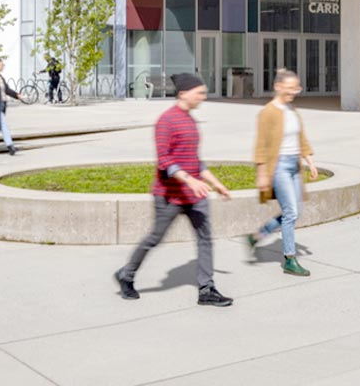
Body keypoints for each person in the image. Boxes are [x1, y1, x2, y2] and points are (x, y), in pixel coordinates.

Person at [114, 72, 234, 307]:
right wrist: (190, 181)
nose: (203, 97)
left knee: (205, 239)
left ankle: (207, 289)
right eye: (199, 93)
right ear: (183, 93)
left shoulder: (190, 120)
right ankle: (126, 274)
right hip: (169, 195)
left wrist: (215, 183)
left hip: (195, 195)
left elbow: (194, 159)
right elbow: (164, 160)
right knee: (155, 238)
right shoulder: (166, 121)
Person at [247, 70, 313, 276]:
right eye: (290, 87)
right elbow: (261, 145)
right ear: (278, 86)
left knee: (295, 211)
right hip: (279, 167)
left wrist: (310, 161)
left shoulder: (292, 109)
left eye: (296, 88)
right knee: (291, 212)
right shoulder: (267, 112)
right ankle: (289, 259)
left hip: (295, 165)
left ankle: (258, 235)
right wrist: (262, 174)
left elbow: (301, 138)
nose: (294, 91)